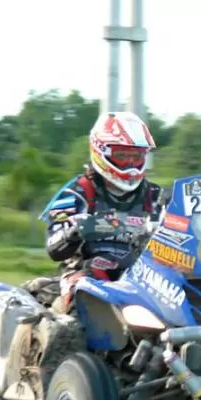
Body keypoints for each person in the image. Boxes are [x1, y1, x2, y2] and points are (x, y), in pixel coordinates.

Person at [38, 111, 164, 312]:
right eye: (122, 156)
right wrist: (75, 229)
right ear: (100, 151)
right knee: (74, 310)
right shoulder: (78, 192)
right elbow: (54, 247)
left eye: (137, 156)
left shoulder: (156, 195)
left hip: (145, 276)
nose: (131, 164)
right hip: (87, 272)